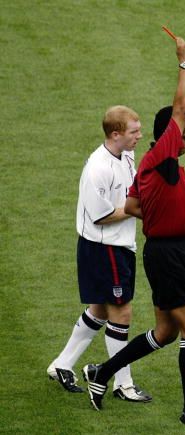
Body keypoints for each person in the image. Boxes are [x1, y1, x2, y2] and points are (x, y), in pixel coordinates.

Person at [82, 35, 185, 427]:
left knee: (165, 332)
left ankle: (101, 373)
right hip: (170, 257)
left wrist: (175, 219)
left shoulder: (155, 167)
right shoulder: (161, 154)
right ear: (171, 135)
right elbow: (181, 108)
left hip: (170, 248)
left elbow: (133, 206)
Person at [47, 105, 151, 403]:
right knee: (122, 313)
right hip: (105, 248)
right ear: (115, 134)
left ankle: (62, 364)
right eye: (134, 132)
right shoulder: (98, 168)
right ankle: (123, 383)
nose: (139, 136)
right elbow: (101, 215)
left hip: (117, 246)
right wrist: (142, 212)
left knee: (101, 310)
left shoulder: (126, 154)